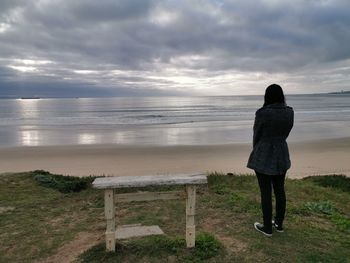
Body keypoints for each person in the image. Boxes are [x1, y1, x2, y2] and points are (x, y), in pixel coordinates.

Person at [247, 84, 294, 237]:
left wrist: (257, 149)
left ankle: (267, 227)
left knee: (265, 192)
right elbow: (286, 132)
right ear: (282, 96)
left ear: (267, 96)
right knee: (280, 190)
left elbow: (257, 134)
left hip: (264, 153)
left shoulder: (262, 113)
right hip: (282, 152)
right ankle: (279, 224)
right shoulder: (289, 112)